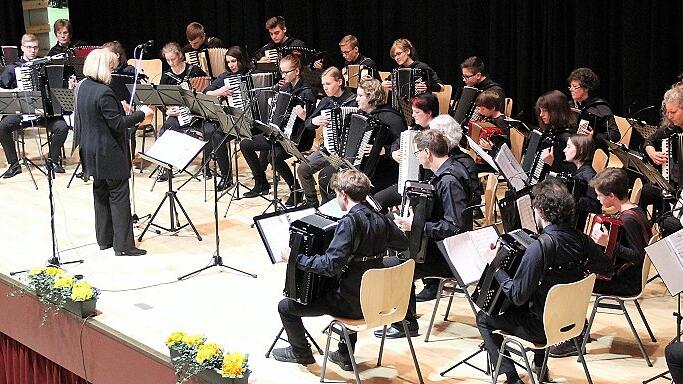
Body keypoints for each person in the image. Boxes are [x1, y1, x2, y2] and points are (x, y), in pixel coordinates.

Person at [273, 169, 408, 371]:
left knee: (286, 306)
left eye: (336, 194)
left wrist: (295, 258)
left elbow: (329, 266)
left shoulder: (349, 222)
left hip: (352, 305)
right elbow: (402, 243)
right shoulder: (381, 217)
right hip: (377, 300)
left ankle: (300, 353)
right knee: (353, 280)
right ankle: (345, 355)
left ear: (343, 195)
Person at [477, 179, 599, 383]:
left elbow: (517, 296)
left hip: (542, 329)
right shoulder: (582, 239)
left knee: (483, 318)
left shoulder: (540, 248)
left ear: (540, 210)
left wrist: (495, 265)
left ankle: (512, 378)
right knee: (538, 301)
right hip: (570, 321)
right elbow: (605, 267)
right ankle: (540, 367)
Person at [375, 130, 471, 339]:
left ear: (427, 152)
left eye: (417, 152)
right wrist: (415, 217)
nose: (416, 156)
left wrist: (417, 226)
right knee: (396, 238)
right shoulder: (450, 170)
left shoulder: (449, 181)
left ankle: (405, 324)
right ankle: (401, 316)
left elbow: (455, 227)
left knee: (397, 265)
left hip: (451, 256)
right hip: (443, 248)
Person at [550, 167, 652, 358]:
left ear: (611, 196)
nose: (597, 200)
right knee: (576, 275)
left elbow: (637, 255)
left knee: (572, 282)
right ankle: (579, 329)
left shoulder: (628, 220)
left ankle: (576, 338)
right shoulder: (636, 210)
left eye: (599, 196)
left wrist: (607, 243)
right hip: (626, 274)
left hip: (627, 282)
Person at [74, 48, 153, 256]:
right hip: (108, 153)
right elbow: (118, 124)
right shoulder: (104, 91)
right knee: (118, 196)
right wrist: (141, 113)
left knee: (100, 194)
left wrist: (117, 107)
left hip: (90, 151)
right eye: (110, 66)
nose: (112, 70)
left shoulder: (83, 87)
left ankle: (104, 240)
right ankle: (124, 246)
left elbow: (98, 114)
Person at [317, 79, 408, 204]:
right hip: (361, 166)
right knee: (325, 176)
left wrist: (382, 150)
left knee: (344, 184)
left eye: (360, 96)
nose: (356, 99)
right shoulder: (361, 114)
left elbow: (404, 147)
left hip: (383, 170)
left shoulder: (391, 118)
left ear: (371, 96)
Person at [240, 54, 316, 198]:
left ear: (297, 71)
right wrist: (273, 105)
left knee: (273, 156)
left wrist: (304, 116)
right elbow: (281, 109)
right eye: (282, 71)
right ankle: (261, 183)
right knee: (245, 144)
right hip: (280, 134)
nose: (283, 75)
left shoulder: (307, 93)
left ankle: (296, 190)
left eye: (286, 72)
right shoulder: (286, 87)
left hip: (298, 138)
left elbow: (311, 124)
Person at [0, 34, 69, 178]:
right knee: (2, 127)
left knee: (62, 127)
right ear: (22, 48)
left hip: (44, 112)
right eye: (29, 47)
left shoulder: (45, 65)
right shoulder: (13, 68)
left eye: (35, 47)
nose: (33, 51)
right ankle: (14, 164)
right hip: (21, 112)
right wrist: (15, 91)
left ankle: (52, 160)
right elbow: (2, 87)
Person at [293, 66, 357, 207]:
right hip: (328, 149)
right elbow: (309, 123)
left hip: (344, 155)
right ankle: (312, 204)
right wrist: (314, 121)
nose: (325, 88)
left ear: (339, 82)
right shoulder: (326, 102)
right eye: (323, 85)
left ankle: (327, 206)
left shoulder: (353, 101)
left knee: (325, 176)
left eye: (328, 84)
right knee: (303, 169)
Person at [371, 92, 438, 213]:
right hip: (409, 181)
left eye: (417, 112)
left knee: (381, 201)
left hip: (428, 186)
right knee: (377, 199)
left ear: (429, 113)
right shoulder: (416, 129)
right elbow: (397, 143)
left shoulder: (438, 134)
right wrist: (393, 153)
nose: (413, 115)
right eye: (413, 111)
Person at [201, 46, 253, 190]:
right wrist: (220, 91)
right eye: (228, 62)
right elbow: (206, 92)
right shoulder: (226, 77)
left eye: (234, 61)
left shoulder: (254, 73)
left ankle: (259, 177)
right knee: (217, 136)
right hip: (237, 121)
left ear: (241, 60)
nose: (231, 65)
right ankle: (226, 176)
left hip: (255, 122)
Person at [641, 83, 683, 236]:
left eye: (673, 112)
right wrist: (651, 151)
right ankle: (645, 237)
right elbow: (647, 142)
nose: (669, 116)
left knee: (669, 222)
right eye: (667, 112)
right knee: (646, 191)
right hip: (672, 185)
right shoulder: (671, 128)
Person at [567, 67, 620, 152]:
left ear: (586, 88)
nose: (571, 90)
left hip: (594, 152)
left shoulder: (600, 108)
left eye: (575, 87)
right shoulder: (569, 106)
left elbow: (615, 135)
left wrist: (594, 136)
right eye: (570, 86)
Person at [562, 134, 601, 229]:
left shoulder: (588, 175)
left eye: (568, 146)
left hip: (579, 225)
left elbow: (595, 205)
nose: (564, 150)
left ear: (581, 149)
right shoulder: (579, 170)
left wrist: (572, 199)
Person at [537, 90, 578, 174]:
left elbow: (575, 171)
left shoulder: (568, 138)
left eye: (544, 110)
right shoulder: (552, 130)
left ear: (557, 111)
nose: (541, 115)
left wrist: (552, 164)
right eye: (540, 111)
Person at [474, 90, 510, 173]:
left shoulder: (501, 122)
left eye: (483, 109)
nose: (480, 111)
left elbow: (505, 148)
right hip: (488, 156)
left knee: (471, 167)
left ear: (492, 108)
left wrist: (491, 147)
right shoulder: (488, 118)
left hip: (495, 162)